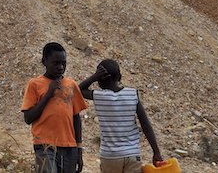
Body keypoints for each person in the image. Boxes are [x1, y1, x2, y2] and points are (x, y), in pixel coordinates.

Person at [79, 60, 165, 172]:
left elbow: (79, 90)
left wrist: (94, 77)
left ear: (99, 80)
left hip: (110, 156)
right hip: (132, 154)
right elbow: (145, 124)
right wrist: (156, 152)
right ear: (120, 77)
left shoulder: (99, 96)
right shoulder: (132, 94)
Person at [22, 42, 88, 173]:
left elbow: (76, 118)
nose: (61, 67)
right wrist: (48, 94)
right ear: (44, 61)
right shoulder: (34, 84)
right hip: (45, 145)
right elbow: (28, 118)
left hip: (69, 146)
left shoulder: (71, 84)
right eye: (56, 63)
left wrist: (79, 148)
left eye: (63, 63)